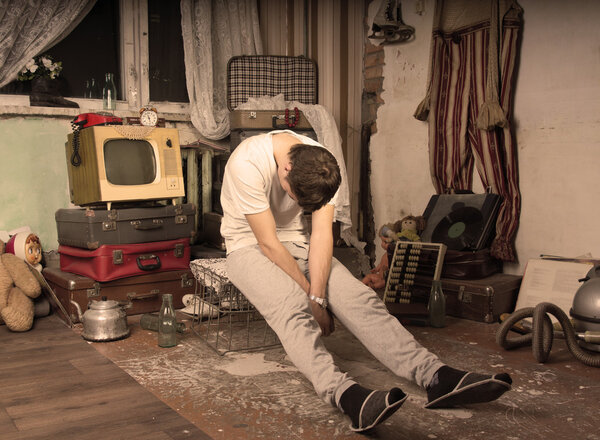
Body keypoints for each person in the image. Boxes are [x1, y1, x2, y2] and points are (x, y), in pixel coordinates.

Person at [220, 130, 512, 433]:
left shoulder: (324, 166)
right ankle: (345, 395)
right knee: (292, 307)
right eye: (293, 195)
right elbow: (268, 244)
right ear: (286, 169)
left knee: (359, 298)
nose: (293, 201)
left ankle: (436, 376)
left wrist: (318, 296)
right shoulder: (247, 162)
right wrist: (311, 300)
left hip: (298, 244)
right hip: (248, 246)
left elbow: (320, 235)